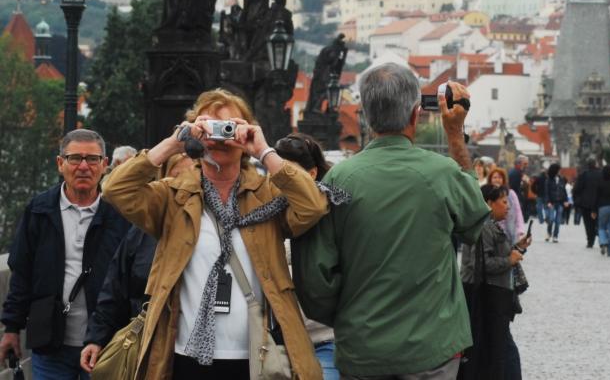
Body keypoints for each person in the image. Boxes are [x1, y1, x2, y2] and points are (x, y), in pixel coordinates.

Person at [100, 88, 328, 379]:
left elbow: (313, 205)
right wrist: (173, 143)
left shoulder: (267, 194)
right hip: (183, 354)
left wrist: (263, 151)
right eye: (210, 126)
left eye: (229, 126)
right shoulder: (173, 196)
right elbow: (114, 189)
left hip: (254, 357)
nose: (220, 137)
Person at [294, 63, 489, 379]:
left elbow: (315, 279)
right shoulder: (442, 174)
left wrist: (347, 316)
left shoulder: (337, 180)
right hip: (431, 344)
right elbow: (475, 221)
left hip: (363, 344)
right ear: (415, 115)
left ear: (366, 116)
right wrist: (455, 134)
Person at [0, 129, 130, 380]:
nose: (84, 166)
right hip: (51, 344)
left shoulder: (119, 215)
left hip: (106, 344)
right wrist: (12, 328)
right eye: (75, 158)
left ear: (104, 165)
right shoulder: (39, 210)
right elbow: (22, 273)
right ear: (60, 163)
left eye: (92, 159)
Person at [80, 154, 194, 373]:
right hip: (146, 349)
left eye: (193, 177)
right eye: (177, 177)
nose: (184, 186)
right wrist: (96, 338)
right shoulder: (142, 232)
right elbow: (115, 289)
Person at [275, 133, 341, 380]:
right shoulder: (265, 211)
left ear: (312, 173)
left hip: (322, 339)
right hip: (276, 343)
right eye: (275, 171)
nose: (280, 179)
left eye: (289, 172)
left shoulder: (331, 215)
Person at [460, 185, 530, 380]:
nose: (508, 207)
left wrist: (518, 248)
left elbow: (492, 255)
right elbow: (480, 264)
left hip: (492, 295)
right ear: (489, 203)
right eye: (504, 202)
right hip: (487, 296)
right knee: (502, 351)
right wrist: (509, 260)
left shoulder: (490, 225)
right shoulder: (484, 227)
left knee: (501, 349)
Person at [487, 168, 526, 243]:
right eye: (495, 177)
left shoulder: (511, 193)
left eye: (499, 177)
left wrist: (520, 230)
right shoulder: (487, 193)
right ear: (490, 179)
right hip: (492, 231)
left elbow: (518, 212)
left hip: (510, 230)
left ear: (503, 179)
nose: (497, 180)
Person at [573, 158, 602, 248]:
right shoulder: (600, 174)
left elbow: (577, 189)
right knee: (597, 221)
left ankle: (590, 240)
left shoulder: (583, 175)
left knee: (588, 223)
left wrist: (577, 200)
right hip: (598, 202)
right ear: (595, 164)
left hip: (585, 203)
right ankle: (599, 235)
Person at [544, 163, 568, 243]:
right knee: (551, 219)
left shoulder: (561, 179)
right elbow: (546, 192)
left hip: (560, 202)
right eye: (558, 170)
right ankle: (549, 233)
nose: (560, 171)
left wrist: (566, 200)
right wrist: (548, 202)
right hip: (552, 202)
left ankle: (555, 236)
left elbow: (564, 191)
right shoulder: (548, 180)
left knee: (558, 221)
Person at [507, 155, 530, 220]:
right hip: (516, 200)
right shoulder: (516, 173)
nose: (527, 166)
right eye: (525, 164)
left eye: (527, 164)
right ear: (519, 164)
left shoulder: (518, 172)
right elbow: (514, 188)